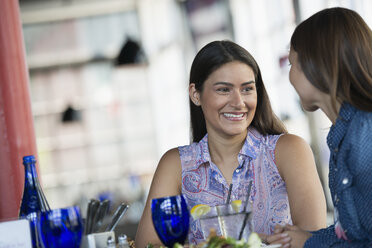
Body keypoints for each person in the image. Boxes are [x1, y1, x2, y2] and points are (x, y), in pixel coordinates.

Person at [135, 40, 326, 247]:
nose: (238, 102)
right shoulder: (176, 164)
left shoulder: (288, 150)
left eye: (247, 89)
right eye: (224, 90)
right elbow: (149, 244)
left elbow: (313, 239)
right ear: (195, 94)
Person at [268, 7, 372, 248]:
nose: (290, 77)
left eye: (292, 64)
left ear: (317, 65)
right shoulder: (344, 134)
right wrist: (306, 238)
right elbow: (353, 234)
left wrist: (311, 244)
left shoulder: (364, 134)